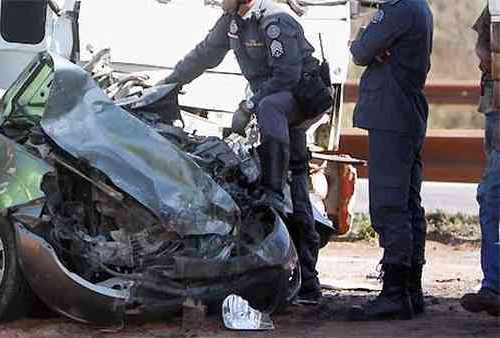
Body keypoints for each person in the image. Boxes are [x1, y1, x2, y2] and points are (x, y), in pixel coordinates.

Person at [159, 0, 330, 304]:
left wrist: (249, 105)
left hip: (297, 100)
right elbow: (203, 54)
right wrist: (168, 83)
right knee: (287, 178)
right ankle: (299, 278)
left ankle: (277, 197)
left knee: (292, 181)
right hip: (272, 111)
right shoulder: (233, 20)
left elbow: (287, 77)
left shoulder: (275, 20)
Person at [348, 0, 433, 321]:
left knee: (389, 205)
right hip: (405, 112)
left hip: (391, 114)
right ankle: (411, 290)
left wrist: (367, 37)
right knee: (409, 204)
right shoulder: (419, 8)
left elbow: (359, 52)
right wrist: (374, 46)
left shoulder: (399, 10)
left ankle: (395, 294)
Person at [460, 3, 500, 318]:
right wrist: (487, 55)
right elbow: (482, 42)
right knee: (491, 196)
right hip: (496, 111)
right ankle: (494, 286)